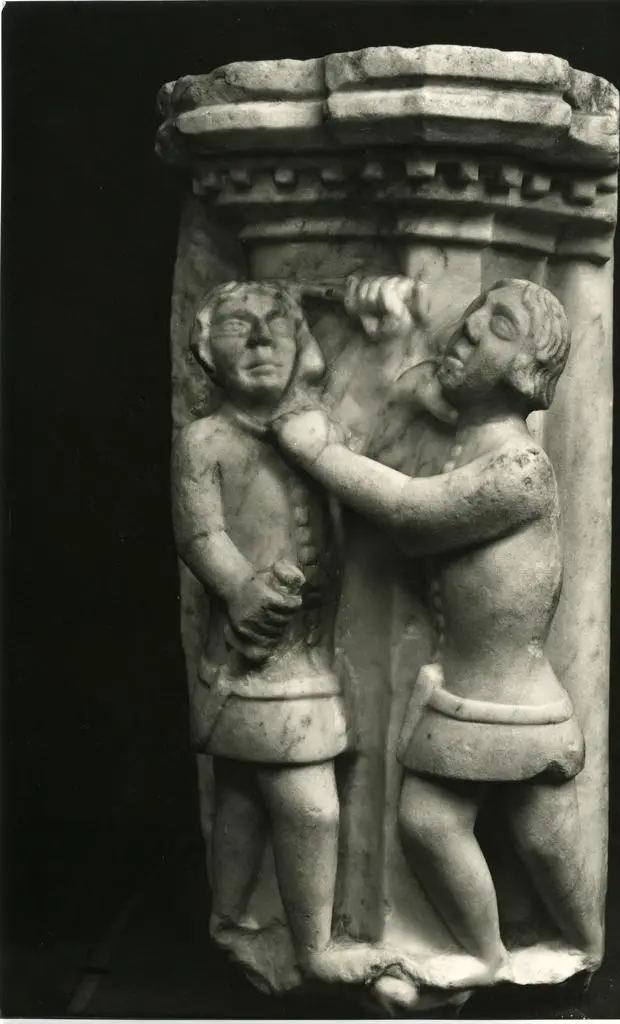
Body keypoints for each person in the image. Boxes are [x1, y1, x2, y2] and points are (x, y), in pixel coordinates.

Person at [273, 278, 600, 983]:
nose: (470, 329)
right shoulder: (467, 436)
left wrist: (315, 452)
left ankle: (576, 945)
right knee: (456, 825)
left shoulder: (519, 469)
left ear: (526, 372)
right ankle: (499, 953)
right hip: (471, 687)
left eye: (498, 327)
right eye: (474, 313)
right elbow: (416, 387)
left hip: (509, 695)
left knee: (538, 836)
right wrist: (383, 326)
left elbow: (412, 513)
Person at [172, 280, 367, 982]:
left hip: (313, 651)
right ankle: (314, 949)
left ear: (301, 345)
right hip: (258, 658)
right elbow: (200, 533)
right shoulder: (206, 440)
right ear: (206, 351)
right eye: (237, 325)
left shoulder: (319, 434)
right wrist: (239, 586)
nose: (259, 339)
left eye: (276, 324)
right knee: (308, 809)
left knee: (243, 801)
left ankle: (233, 921)